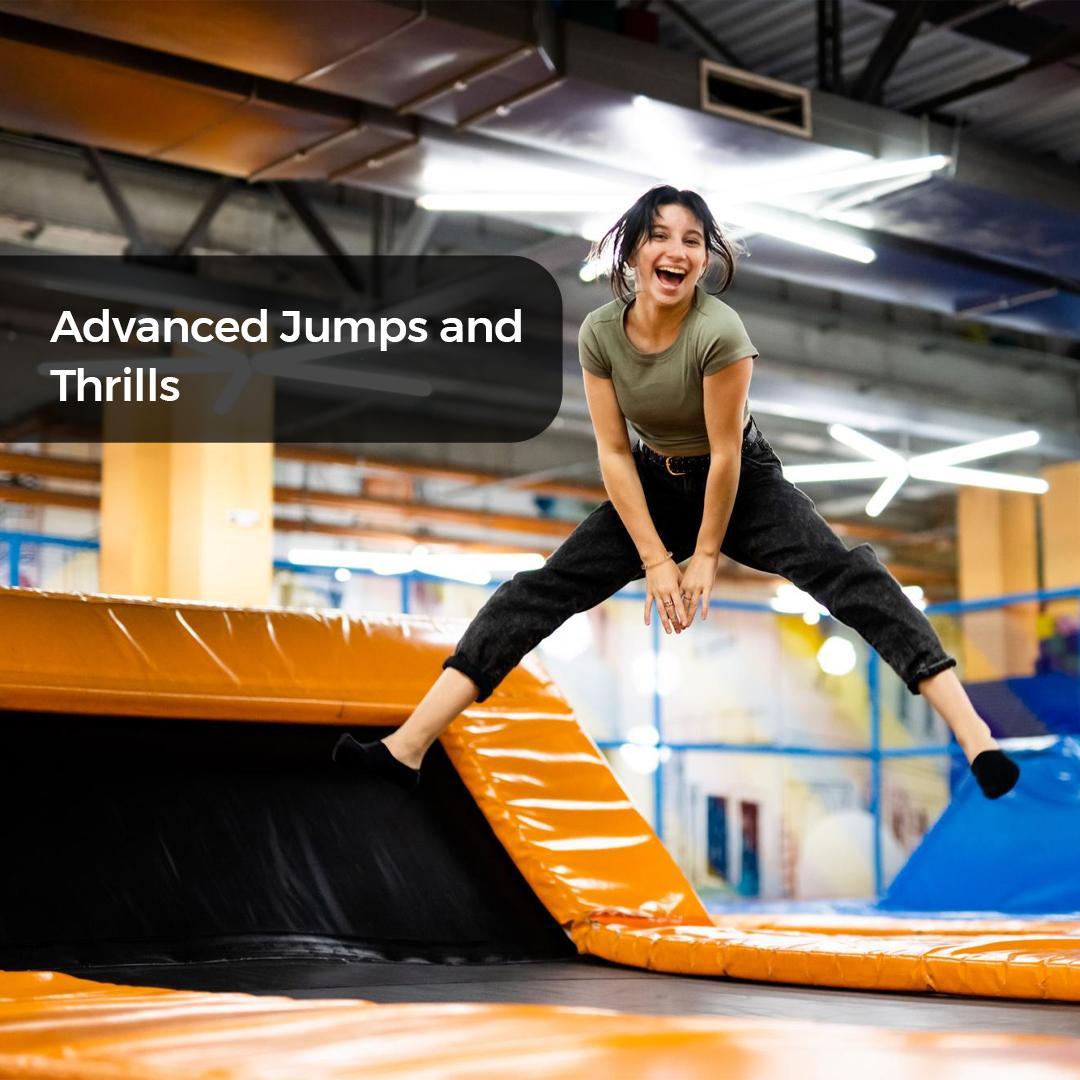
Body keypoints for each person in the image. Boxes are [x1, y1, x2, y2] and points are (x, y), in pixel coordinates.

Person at [333, 185, 1020, 801]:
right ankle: (408, 747)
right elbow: (609, 451)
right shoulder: (601, 333)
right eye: (661, 236)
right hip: (649, 479)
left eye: (692, 240)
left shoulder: (720, 333)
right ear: (633, 253)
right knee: (536, 591)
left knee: (848, 573)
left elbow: (724, 457)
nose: (677, 250)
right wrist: (657, 558)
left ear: (705, 259)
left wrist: (704, 558)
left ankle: (974, 734)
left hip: (743, 484)